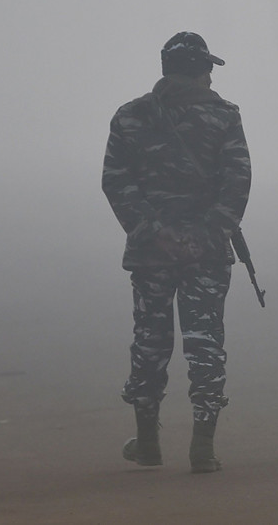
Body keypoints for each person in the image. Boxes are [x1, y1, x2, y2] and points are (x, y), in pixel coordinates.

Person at [102, 31, 251, 473]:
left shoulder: (130, 117)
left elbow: (116, 182)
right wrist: (207, 234)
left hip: (151, 254)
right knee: (205, 343)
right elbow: (237, 181)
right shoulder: (224, 116)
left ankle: (148, 443)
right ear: (203, 70)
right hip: (205, 253)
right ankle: (202, 447)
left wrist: (153, 230)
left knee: (150, 342)